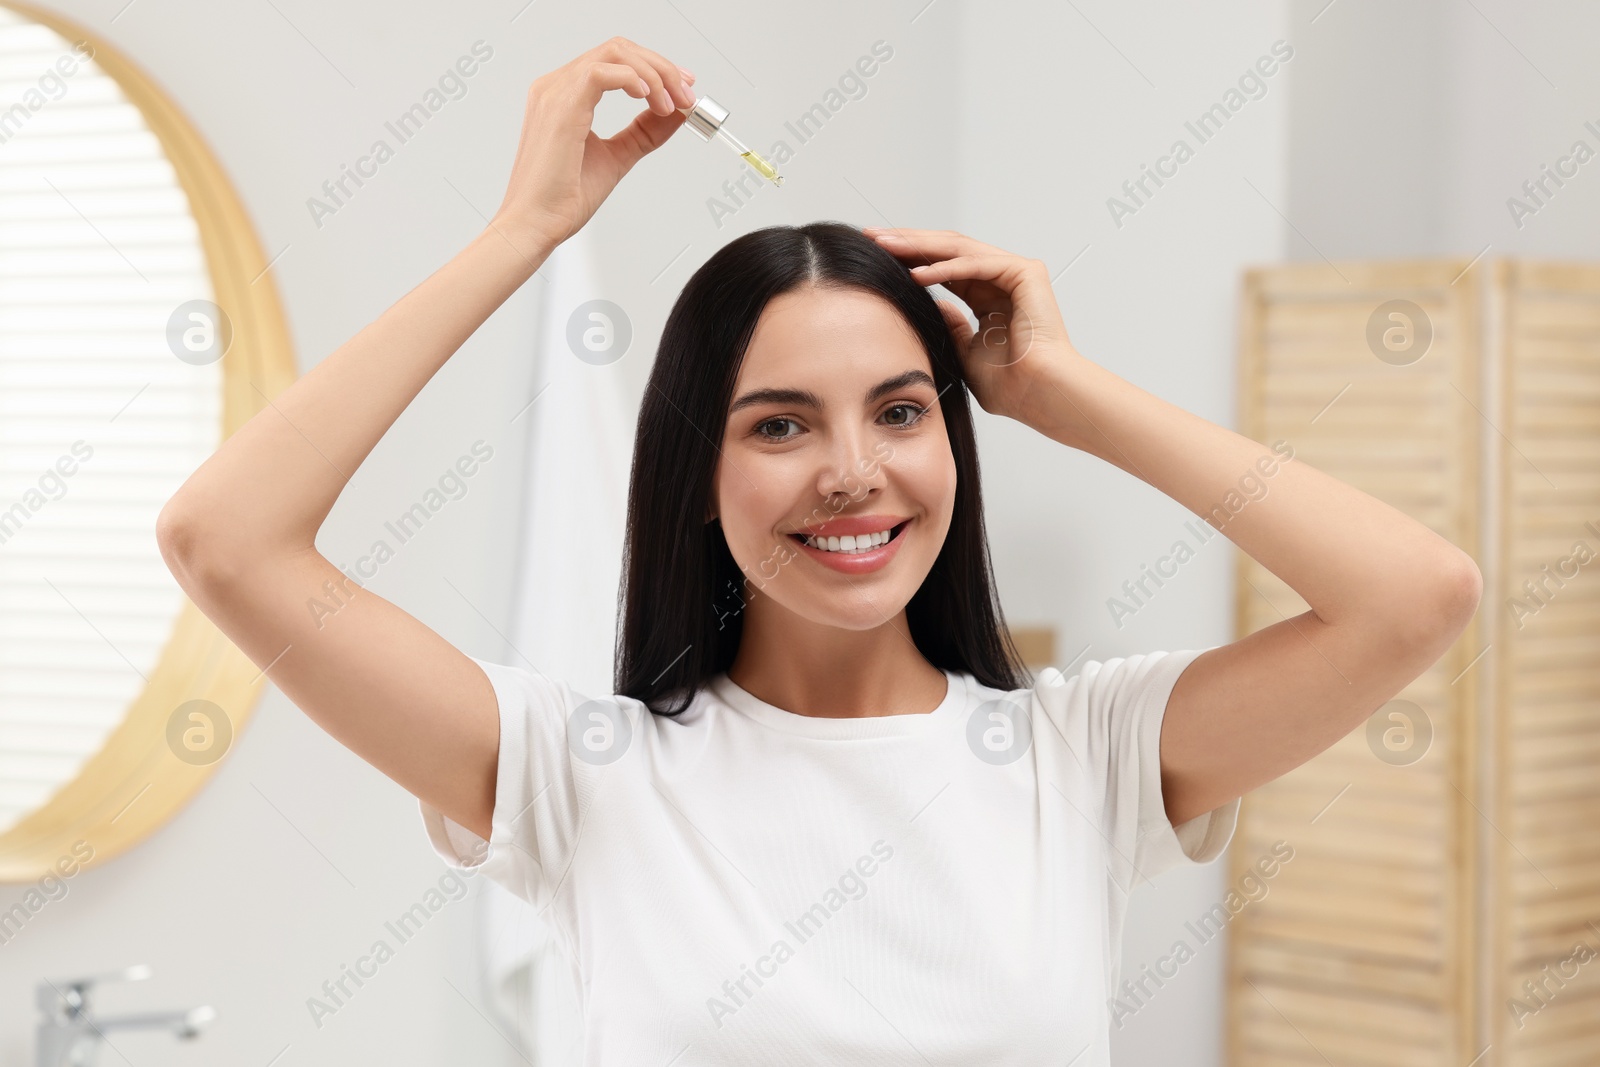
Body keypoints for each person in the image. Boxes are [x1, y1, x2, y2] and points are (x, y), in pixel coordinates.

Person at [156, 36, 1481, 1065]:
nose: (854, 469)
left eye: (902, 412)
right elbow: (225, 538)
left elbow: (1417, 595)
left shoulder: (1086, 758)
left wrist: (1063, 392)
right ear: (700, 470)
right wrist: (525, 233)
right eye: (781, 423)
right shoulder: (580, 776)